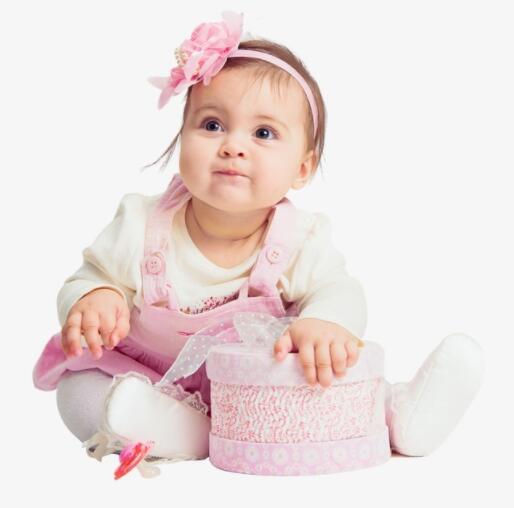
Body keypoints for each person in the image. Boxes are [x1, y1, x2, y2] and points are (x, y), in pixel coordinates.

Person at [32, 11, 484, 477]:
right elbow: (85, 278)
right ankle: (174, 431)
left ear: (302, 168)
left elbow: (340, 289)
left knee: (323, 373)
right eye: (212, 125)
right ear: (181, 137)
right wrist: (94, 297)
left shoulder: (300, 240)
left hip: (261, 388)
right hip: (148, 379)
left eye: (263, 133)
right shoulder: (140, 224)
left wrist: (325, 322)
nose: (233, 146)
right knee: (79, 391)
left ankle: (399, 415)